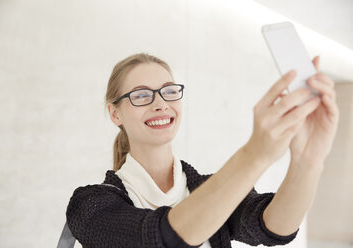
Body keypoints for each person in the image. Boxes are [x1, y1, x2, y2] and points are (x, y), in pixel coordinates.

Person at [65, 53, 339, 247]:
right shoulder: (91, 206)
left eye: (169, 91)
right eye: (141, 95)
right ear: (115, 114)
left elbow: (273, 226)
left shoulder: (210, 189)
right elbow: (161, 237)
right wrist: (255, 154)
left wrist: (308, 161)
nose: (160, 104)